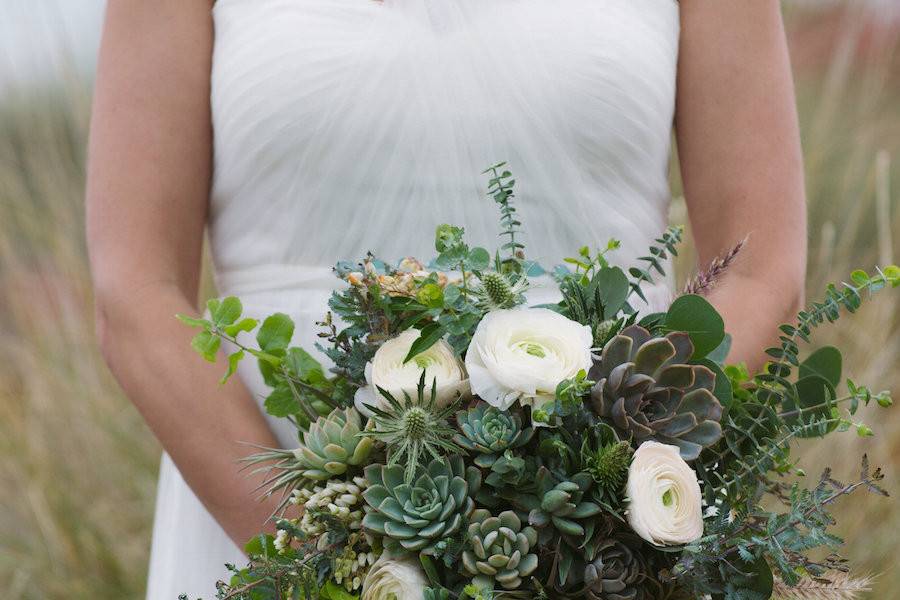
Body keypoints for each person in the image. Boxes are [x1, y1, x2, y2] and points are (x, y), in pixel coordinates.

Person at [85, 0, 807, 598]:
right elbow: (137, 293)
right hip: (262, 515)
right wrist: (318, 565)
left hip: (600, 553)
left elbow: (756, 270)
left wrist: (601, 529)